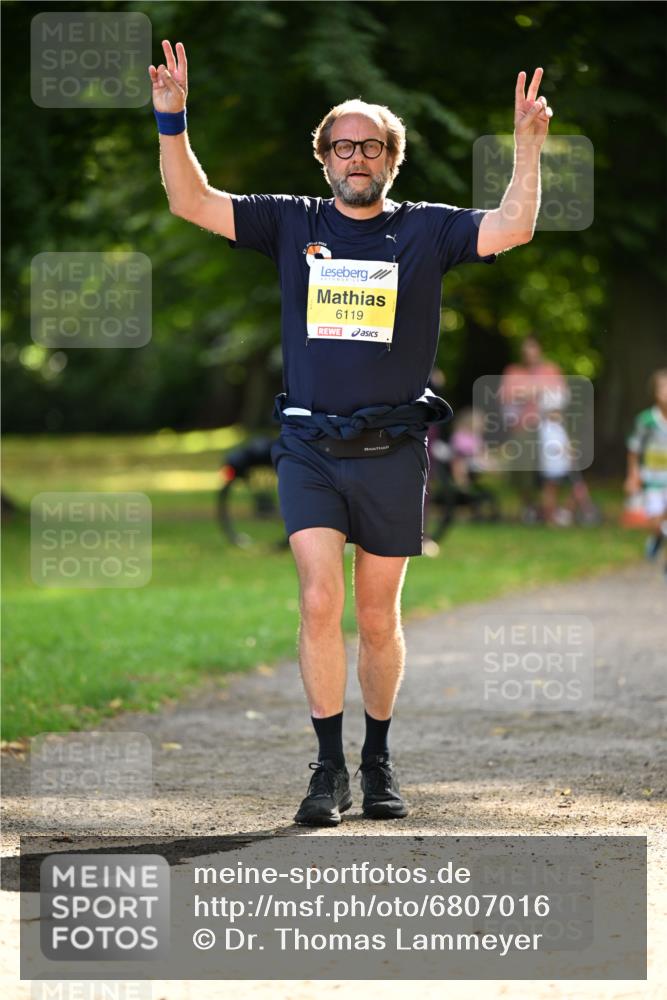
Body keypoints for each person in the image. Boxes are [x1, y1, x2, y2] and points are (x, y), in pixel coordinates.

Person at [149, 41, 553, 825]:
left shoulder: (427, 230)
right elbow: (191, 200)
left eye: (371, 146)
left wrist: (527, 148)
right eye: (343, 146)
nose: (356, 157)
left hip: (392, 449)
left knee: (375, 616)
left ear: (391, 160)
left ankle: (377, 758)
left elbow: (513, 227)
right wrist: (172, 117)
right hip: (308, 447)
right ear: (324, 157)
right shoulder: (289, 221)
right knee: (316, 598)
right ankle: (327, 766)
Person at [499, 334, 568, 520]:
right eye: (525, 349)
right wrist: (535, 392)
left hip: (548, 428)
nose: (528, 352)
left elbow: (560, 399)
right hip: (522, 428)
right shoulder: (513, 372)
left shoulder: (551, 370)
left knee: (551, 471)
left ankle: (549, 510)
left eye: (532, 347)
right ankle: (529, 507)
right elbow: (507, 398)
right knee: (524, 471)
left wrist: (528, 393)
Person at [625, 369, 667, 575]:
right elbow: (634, 449)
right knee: (657, 520)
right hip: (652, 479)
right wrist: (633, 475)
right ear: (655, 392)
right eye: (663, 388)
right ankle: (657, 537)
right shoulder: (646, 420)